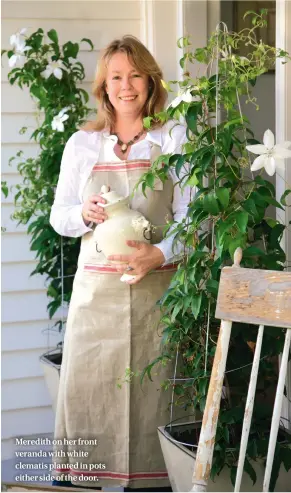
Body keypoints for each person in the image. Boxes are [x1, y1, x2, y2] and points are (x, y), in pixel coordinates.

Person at [50, 34, 191, 491]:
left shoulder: (173, 137)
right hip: (96, 298)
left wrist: (161, 253)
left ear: (150, 81)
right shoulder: (82, 144)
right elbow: (60, 216)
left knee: (157, 398)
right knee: (89, 394)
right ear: (103, 86)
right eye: (116, 77)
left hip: (160, 295)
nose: (125, 85)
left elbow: (196, 219)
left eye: (134, 75)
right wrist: (83, 214)